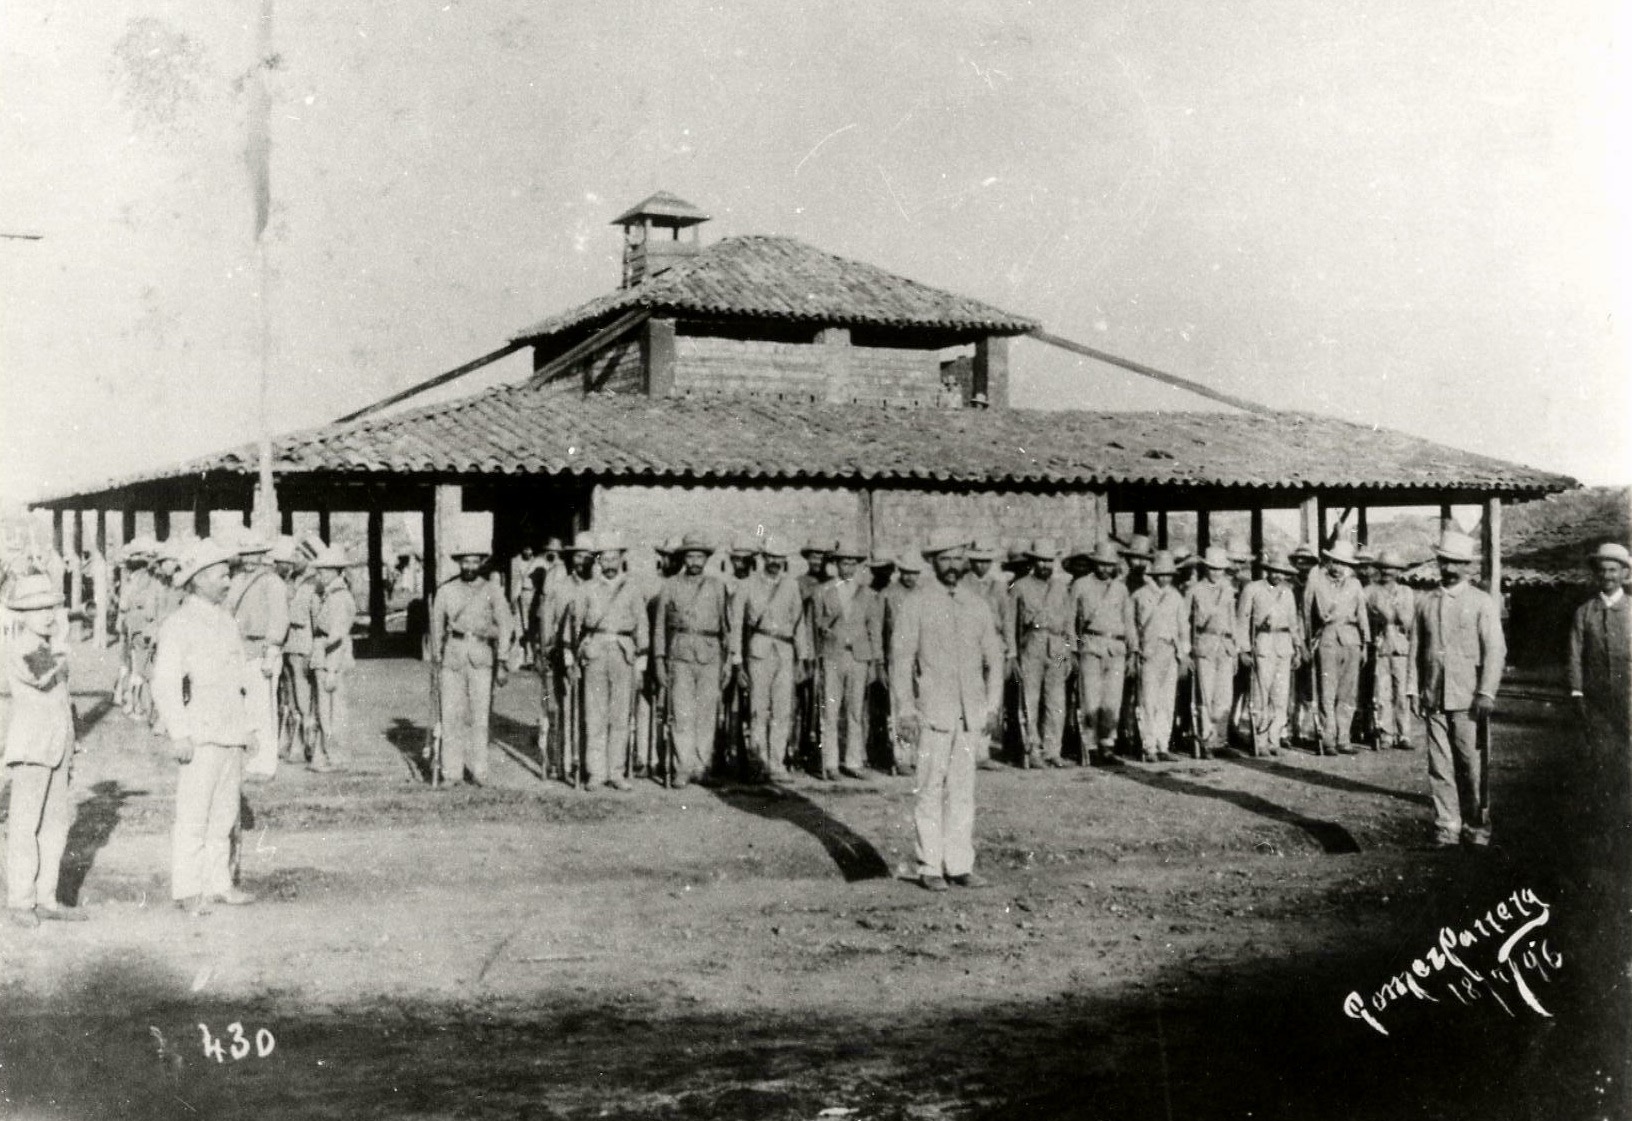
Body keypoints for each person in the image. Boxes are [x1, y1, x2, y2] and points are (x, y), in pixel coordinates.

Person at [890, 530, 1004, 892]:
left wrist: (992, 706)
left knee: (963, 791)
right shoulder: (917, 603)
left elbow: (994, 658)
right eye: (945, 559)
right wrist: (905, 710)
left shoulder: (977, 604)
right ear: (932, 562)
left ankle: (959, 865)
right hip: (933, 711)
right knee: (929, 789)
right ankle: (930, 866)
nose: (952, 566)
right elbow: (901, 660)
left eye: (957, 558)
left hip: (969, 712)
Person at [151, 540, 259, 915]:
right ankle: (188, 889)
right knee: (194, 814)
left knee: (224, 814)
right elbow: (165, 682)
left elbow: (240, 679)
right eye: (221, 575)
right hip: (200, 734)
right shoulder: (179, 624)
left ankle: (218, 884)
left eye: (228, 575)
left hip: (230, 731)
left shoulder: (226, 621)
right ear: (198, 579)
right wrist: (179, 732)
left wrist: (249, 728)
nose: (228, 581)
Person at [1408, 530, 1505, 848]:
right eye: (1445, 561)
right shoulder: (1425, 602)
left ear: (1467, 566)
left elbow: (1495, 650)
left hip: (1469, 698)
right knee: (1440, 766)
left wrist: (1486, 692)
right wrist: (1413, 690)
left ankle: (1477, 826)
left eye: (1456, 563)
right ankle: (1447, 826)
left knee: (1472, 766)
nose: (1449, 568)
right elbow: (1416, 650)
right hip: (1434, 695)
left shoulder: (1481, 602)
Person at [3, 573, 84, 926]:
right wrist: (62, 644)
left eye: (51, 608)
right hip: (32, 748)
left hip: (56, 743)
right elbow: (44, 674)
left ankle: (46, 897)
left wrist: (72, 738)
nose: (49, 615)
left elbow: (62, 698)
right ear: (21, 614)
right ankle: (21, 901)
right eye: (39, 610)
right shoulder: (23, 645)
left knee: (55, 824)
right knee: (25, 824)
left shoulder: (47, 645)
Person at [430, 532, 512, 786]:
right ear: (459, 562)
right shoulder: (446, 590)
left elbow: (506, 624)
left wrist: (503, 657)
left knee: (479, 717)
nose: (470, 566)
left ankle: (480, 771)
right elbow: (436, 626)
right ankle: (451, 772)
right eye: (465, 561)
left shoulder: (492, 590)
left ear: (481, 563)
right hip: (453, 656)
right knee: (450, 715)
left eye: (475, 561)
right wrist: (436, 656)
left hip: (481, 655)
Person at [566, 533, 648, 790]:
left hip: (623, 653)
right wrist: (570, 656)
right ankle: (596, 772)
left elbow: (642, 625)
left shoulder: (632, 589)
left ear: (621, 559)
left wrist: (642, 661)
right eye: (605, 558)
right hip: (595, 653)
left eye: (614, 558)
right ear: (598, 561)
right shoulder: (587, 589)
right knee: (595, 715)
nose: (609, 563)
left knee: (620, 716)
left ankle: (616, 772)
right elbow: (574, 625)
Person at [653, 533, 730, 786]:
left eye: (700, 556)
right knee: (681, 712)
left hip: (710, 654)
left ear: (706, 559)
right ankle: (683, 766)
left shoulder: (717, 586)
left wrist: (728, 661)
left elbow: (726, 626)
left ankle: (702, 765)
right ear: (683, 558)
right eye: (690, 556)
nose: (695, 561)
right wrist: (659, 659)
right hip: (680, 655)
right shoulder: (671, 585)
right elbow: (660, 627)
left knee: (706, 713)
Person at [734, 535, 810, 781]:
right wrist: (737, 661)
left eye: (780, 558)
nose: (775, 562)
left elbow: (799, 623)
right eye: (771, 557)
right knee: (758, 709)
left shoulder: (791, 586)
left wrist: (802, 658)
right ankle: (759, 762)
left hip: (785, 651)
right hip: (759, 650)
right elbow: (737, 625)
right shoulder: (747, 585)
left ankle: (777, 763)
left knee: (782, 710)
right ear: (763, 558)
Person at [1568, 542, 1631, 836]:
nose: (1608, 576)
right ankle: (1606, 821)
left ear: (1624, 574)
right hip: (1596, 701)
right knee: (1602, 760)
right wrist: (1577, 691)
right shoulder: (1585, 612)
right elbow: (1574, 655)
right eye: (1603, 570)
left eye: (1613, 570)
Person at [808, 536, 882, 780]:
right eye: (843, 563)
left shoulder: (867, 594)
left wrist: (875, 661)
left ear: (857, 566)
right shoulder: (823, 591)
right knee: (830, 711)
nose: (848, 567)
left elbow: (874, 630)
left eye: (852, 563)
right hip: (832, 656)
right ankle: (830, 763)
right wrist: (816, 653)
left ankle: (853, 761)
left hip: (859, 657)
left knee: (855, 711)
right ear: (835, 564)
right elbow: (814, 625)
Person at [226, 531, 288, 778]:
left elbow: (279, 619)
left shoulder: (272, 582)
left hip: (262, 650)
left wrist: (272, 652)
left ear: (262, 555)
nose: (249, 559)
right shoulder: (237, 580)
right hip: (241, 649)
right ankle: (253, 758)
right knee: (247, 709)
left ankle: (266, 762)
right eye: (245, 554)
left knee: (263, 709)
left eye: (254, 554)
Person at [1011, 538, 1074, 767]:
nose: (1046, 565)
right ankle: (1033, 750)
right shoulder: (1020, 587)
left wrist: (1069, 652)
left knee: (1056, 701)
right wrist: (1012, 655)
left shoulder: (1061, 587)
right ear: (1033, 562)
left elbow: (1069, 623)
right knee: (1030, 700)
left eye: (1049, 561)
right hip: (1032, 645)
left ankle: (1052, 750)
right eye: (1041, 561)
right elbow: (1011, 623)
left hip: (1057, 647)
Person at [1305, 539, 1370, 756]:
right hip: (1328, 638)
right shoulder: (1316, 582)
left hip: (1352, 640)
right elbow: (1306, 612)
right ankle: (1328, 737)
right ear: (1329, 562)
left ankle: (1344, 738)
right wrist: (1307, 640)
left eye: (1344, 563)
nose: (1340, 567)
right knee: (1327, 690)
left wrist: (1365, 643)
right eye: (1336, 562)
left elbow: (1362, 614)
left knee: (1348, 693)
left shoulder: (1355, 585)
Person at [1236, 551, 1303, 757]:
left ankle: (1274, 739)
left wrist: (1297, 648)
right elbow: (1242, 621)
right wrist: (1244, 650)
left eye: (1282, 572)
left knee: (1280, 696)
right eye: (1274, 571)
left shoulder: (1288, 593)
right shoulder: (1253, 589)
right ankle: (1260, 739)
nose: (1278, 575)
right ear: (1268, 570)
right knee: (1260, 694)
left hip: (1283, 645)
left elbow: (1293, 623)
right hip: (1263, 644)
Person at [1071, 541, 1132, 766]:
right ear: (1094, 563)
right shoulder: (1080, 585)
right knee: (1090, 698)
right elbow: (1070, 621)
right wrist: (1071, 651)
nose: (1105, 568)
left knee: (1112, 700)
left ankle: (1107, 745)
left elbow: (1129, 622)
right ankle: (1090, 746)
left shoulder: (1121, 589)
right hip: (1090, 644)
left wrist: (1133, 650)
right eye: (1101, 563)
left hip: (1115, 647)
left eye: (1109, 564)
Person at [1130, 550, 1188, 763]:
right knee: (1148, 700)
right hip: (1149, 651)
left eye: (1168, 575)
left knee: (1166, 700)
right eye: (1161, 574)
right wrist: (1135, 650)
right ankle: (1149, 746)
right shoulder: (1140, 595)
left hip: (1169, 651)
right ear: (1153, 574)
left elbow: (1183, 627)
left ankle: (1163, 744)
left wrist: (1183, 654)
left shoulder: (1176, 597)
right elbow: (1132, 626)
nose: (1165, 578)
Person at [310, 546, 362, 774]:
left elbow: (337, 637)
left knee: (333, 712)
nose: (320, 574)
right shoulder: (331, 595)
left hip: (332, 659)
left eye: (325, 570)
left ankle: (336, 757)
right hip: (325, 656)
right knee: (327, 710)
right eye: (320, 569)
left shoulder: (339, 598)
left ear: (336, 571)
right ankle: (329, 754)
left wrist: (331, 670)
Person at [1187, 546, 1239, 759]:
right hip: (1205, 644)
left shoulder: (1229, 590)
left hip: (1225, 645)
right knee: (1206, 695)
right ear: (1205, 568)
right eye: (1212, 568)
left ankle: (1220, 740)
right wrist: (1188, 650)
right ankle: (1206, 740)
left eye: (1220, 569)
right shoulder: (1195, 590)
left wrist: (1235, 649)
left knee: (1224, 696)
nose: (1216, 573)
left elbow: (1233, 620)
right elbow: (1186, 622)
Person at [1367, 548, 1417, 751]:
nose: (1387, 572)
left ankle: (1404, 733)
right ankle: (1386, 733)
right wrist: (1379, 616)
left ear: (1398, 571)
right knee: (1382, 693)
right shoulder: (1370, 591)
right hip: (1381, 647)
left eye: (1392, 568)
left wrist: (1393, 612)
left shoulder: (1406, 592)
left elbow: (1408, 620)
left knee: (1402, 693)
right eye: (1384, 568)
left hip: (1401, 648)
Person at [280, 538, 320, 762]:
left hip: (304, 647)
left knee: (305, 699)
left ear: (309, 558)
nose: (293, 559)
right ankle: (293, 742)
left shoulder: (314, 584)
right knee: (290, 698)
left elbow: (316, 621)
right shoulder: (291, 580)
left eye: (298, 556)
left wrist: (315, 650)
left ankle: (308, 744)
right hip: (289, 646)